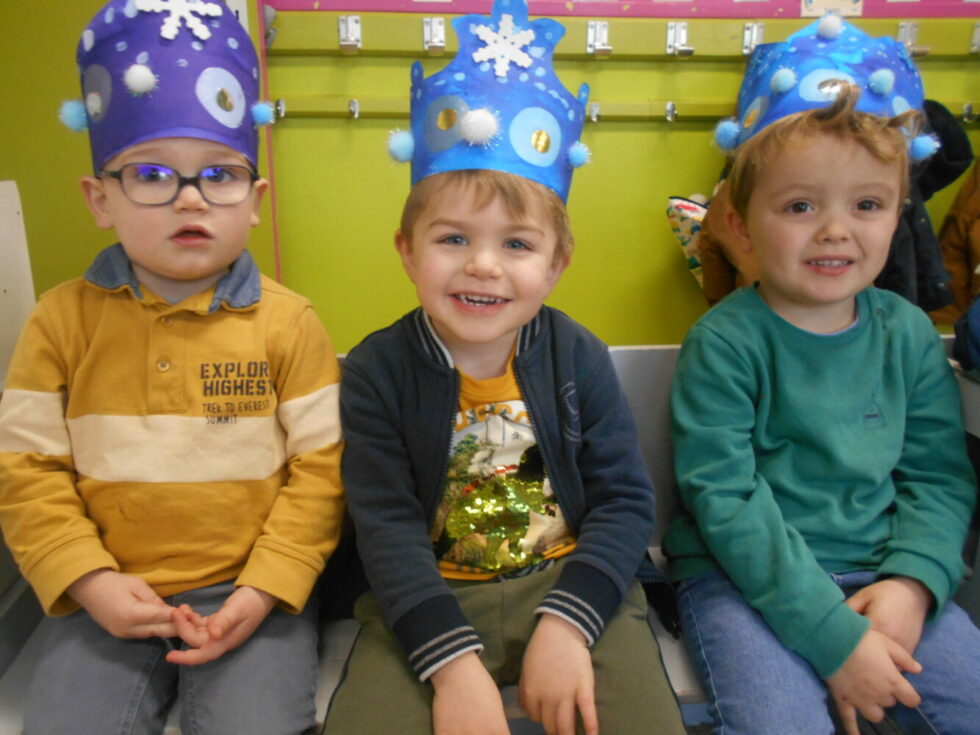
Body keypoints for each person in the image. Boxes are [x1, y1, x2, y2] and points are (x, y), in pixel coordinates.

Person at [322, 2, 685, 734]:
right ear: (407, 249)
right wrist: (450, 664)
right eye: (453, 237)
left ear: (556, 263)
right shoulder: (376, 369)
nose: (483, 264)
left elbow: (623, 501)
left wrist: (570, 623)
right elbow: (385, 529)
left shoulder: (575, 352)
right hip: (423, 598)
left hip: (570, 583)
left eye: (517, 244)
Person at [0, 2, 344, 733]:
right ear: (100, 199)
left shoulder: (290, 323)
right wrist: (88, 579)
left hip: (253, 592)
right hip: (103, 589)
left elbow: (323, 473)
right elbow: (25, 470)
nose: (190, 197)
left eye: (218, 175)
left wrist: (265, 587)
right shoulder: (58, 323)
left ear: (253, 203)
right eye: (152, 174)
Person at [666, 16, 980, 735]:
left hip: (882, 571)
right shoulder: (724, 342)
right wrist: (835, 641)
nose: (836, 230)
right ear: (740, 226)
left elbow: (939, 477)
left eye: (866, 205)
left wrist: (911, 583)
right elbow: (727, 502)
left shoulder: (905, 334)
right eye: (801, 205)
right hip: (740, 584)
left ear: (899, 213)